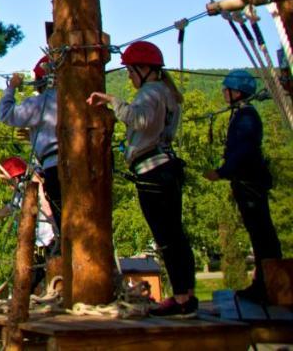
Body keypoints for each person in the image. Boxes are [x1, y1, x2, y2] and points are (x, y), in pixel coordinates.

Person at [88, 40, 195, 317]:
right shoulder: (167, 93)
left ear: (145, 69)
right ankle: (186, 294)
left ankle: (182, 298)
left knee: (166, 236)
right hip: (165, 166)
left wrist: (113, 101)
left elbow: (141, 121)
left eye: (131, 71)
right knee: (174, 235)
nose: (130, 76)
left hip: (153, 170)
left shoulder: (150, 92)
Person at [204, 69, 282, 303]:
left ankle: (268, 285)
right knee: (259, 233)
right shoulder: (242, 114)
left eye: (226, 89)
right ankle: (265, 283)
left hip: (249, 183)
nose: (223, 93)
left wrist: (221, 172)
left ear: (237, 91)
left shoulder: (246, 117)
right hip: (247, 181)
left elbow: (244, 151)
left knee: (261, 235)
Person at [0, 156, 57, 290]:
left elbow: (45, 203)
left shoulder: (36, 187)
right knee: (27, 281)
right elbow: (6, 210)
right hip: (37, 245)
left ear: (16, 178)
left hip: (50, 241)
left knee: (45, 278)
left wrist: (56, 228)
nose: (8, 187)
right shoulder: (19, 193)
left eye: (8, 182)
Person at [0, 56, 61, 228]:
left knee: (65, 222)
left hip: (55, 167)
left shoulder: (39, 103)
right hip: (84, 164)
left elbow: (5, 114)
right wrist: (34, 136)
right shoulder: (77, 99)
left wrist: (11, 87)